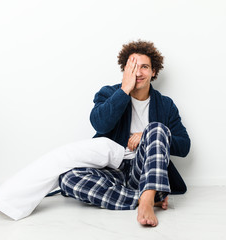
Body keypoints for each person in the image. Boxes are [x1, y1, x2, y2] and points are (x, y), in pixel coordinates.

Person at [58, 40, 191, 227]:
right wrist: (124, 90)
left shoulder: (166, 104)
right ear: (125, 69)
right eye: (133, 66)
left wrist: (147, 134)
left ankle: (146, 200)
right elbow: (100, 124)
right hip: (113, 170)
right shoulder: (108, 93)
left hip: (145, 169)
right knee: (67, 179)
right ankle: (144, 197)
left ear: (153, 72)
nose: (138, 72)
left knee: (157, 128)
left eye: (144, 67)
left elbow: (184, 146)